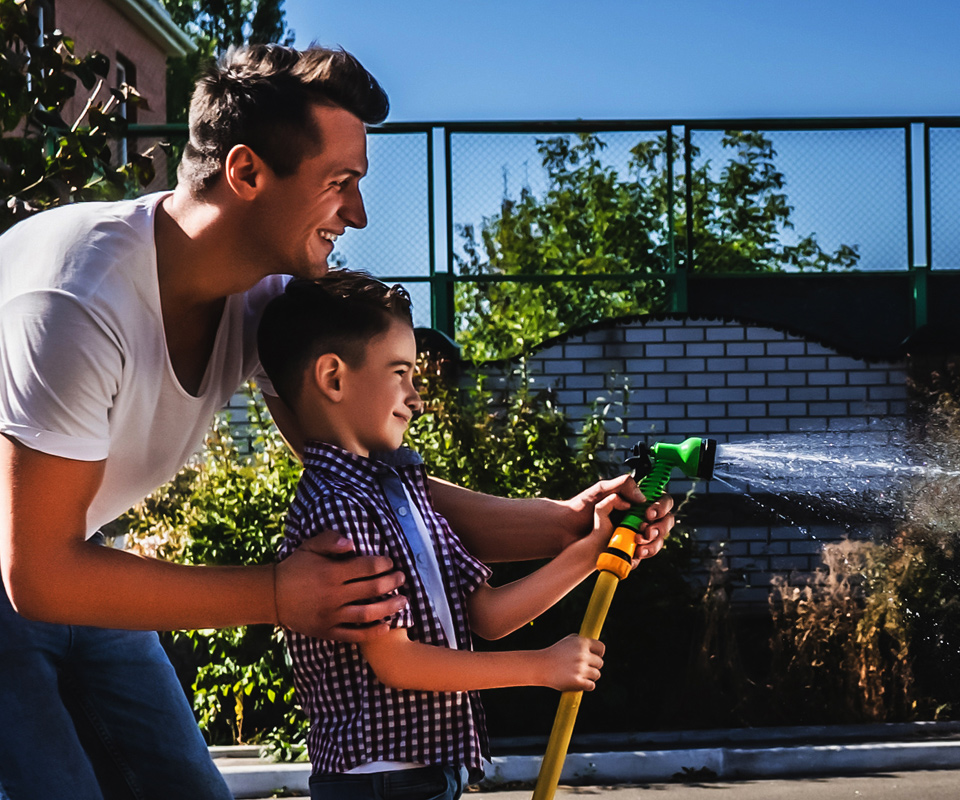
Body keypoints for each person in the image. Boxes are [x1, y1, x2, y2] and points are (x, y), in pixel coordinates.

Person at [0, 45, 673, 799]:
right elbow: (38, 575)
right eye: (340, 184)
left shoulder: (261, 295)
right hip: (37, 570)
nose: (358, 214)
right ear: (247, 174)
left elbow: (370, 481)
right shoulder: (76, 304)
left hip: (78, 561)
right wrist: (282, 595)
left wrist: (570, 525)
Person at [261, 271, 634, 799]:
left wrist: (590, 552)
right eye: (400, 373)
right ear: (334, 379)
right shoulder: (337, 510)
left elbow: (484, 614)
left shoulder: (403, 493)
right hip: (379, 780)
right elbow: (396, 660)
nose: (416, 396)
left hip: (422, 776)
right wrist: (539, 666)